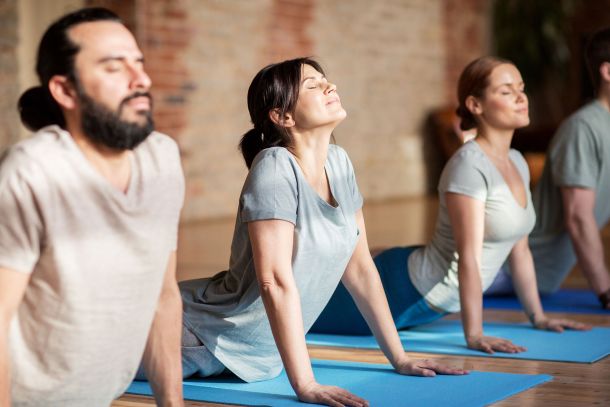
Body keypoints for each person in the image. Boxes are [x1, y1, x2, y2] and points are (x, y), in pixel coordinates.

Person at [179, 57, 467, 407]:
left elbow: (360, 268)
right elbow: (275, 281)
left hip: (249, 352)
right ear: (282, 117)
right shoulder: (274, 168)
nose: (330, 87)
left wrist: (400, 358)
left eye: (325, 80)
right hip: (199, 333)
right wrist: (306, 384)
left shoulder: (339, 162)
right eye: (312, 86)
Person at [312, 56, 589, 354]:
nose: (521, 97)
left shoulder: (518, 162)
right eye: (506, 91)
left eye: (521, 88)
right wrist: (475, 335)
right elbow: (468, 257)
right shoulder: (469, 166)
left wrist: (538, 317)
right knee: (302, 315)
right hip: (405, 290)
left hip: (429, 296)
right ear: (475, 105)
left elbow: (519, 250)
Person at [0, 8, 184, 406]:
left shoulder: (162, 159)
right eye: (114, 68)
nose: (142, 80)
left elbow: (163, 296)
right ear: (65, 91)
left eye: (139, 63)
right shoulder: (32, 171)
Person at [489, 28, 610, 309]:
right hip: (505, 267)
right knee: (404, 272)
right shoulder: (584, 128)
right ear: (607, 72)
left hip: (538, 275)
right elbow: (579, 218)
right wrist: (606, 291)